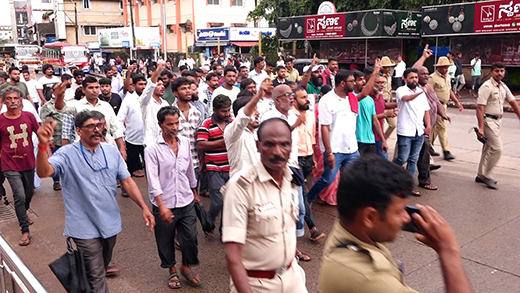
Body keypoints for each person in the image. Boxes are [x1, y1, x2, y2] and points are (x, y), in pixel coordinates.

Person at [36, 109, 155, 292]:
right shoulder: (67, 153)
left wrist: (144, 207)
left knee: (101, 265)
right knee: (96, 274)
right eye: (91, 126)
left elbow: (127, 181)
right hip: (82, 226)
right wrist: (43, 147)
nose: (97, 129)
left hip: (110, 222)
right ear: (78, 130)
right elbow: (44, 172)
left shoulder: (110, 151)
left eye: (100, 125)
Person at [319, 156, 472, 293]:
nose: (406, 218)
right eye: (399, 212)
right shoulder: (368, 278)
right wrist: (448, 250)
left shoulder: (353, 230)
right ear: (370, 217)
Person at [223, 118, 307, 293]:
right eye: (270, 144)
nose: (278, 152)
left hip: (293, 279)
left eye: (284, 144)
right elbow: (233, 256)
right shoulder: (240, 187)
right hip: (257, 285)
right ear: (258, 146)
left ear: (291, 146)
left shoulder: (291, 178)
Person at [145, 106, 202, 289]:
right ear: (160, 124)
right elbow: (153, 180)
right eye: (170, 124)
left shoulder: (185, 142)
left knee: (190, 238)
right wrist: (161, 206)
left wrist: (194, 192)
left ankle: (186, 266)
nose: (175, 127)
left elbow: (189, 170)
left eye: (177, 123)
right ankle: (172, 270)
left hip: (186, 199)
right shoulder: (152, 149)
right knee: (165, 239)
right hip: (165, 202)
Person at [306, 70, 361, 203]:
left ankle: (345, 201)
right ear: (342, 83)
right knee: (328, 179)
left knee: (353, 177)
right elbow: (324, 127)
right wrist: (329, 153)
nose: (355, 84)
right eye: (352, 81)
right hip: (335, 149)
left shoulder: (351, 98)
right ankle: (308, 198)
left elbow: (364, 93)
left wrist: (376, 71)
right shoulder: (327, 100)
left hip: (352, 148)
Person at [0, 87, 40, 246]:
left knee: (28, 194)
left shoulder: (29, 117)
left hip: (28, 163)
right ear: (4, 101)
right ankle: (25, 230)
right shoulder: (1, 120)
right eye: (8, 99)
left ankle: (24, 211)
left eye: (15, 98)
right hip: (9, 164)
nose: (12, 102)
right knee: (20, 196)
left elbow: (40, 133)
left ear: (21, 100)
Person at [54, 76, 127, 161]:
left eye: (96, 87)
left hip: (105, 148)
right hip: (83, 150)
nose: (95, 90)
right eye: (91, 88)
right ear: (84, 90)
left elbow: (116, 128)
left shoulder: (106, 106)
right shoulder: (76, 105)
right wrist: (59, 96)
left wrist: (122, 147)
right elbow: (60, 108)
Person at [476, 62, 520, 189]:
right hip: (488, 121)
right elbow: (479, 108)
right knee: (497, 149)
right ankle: (486, 175)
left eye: (502, 71)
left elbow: (513, 103)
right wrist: (481, 128)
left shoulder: (503, 87)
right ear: (491, 72)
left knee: (488, 149)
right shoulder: (486, 86)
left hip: (498, 121)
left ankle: (480, 174)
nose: (500, 73)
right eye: (497, 71)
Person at [197, 94, 232, 237]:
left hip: (231, 168)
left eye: (228, 110)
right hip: (214, 168)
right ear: (215, 110)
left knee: (230, 203)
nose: (227, 114)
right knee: (218, 202)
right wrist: (223, 141)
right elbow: (201, 144)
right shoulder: (206, 124)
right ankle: (208, 222)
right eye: (224, 111)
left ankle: (225, 231)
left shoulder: (232, 122)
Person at [393, 68, 431, 197]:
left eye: (416, 77)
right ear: (404, 78)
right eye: (411, 77)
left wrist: (428, 125)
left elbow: (426, 110)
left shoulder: (421, 92)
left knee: (413, 160)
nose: (414, 80)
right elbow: (406, 98)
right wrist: (419, 94)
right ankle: (388, 170)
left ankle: (408, 186)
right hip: (405, 131)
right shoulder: (400, 90)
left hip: (419, 131)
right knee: (402, 158)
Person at [39, 76, 73, 191]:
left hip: (68, 138)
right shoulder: (47, 107)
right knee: (55, 160)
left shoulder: (68, 104)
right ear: (52, 92)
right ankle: (56, 181)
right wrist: (50, 139)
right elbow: (45, 122)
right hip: (56, 137)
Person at [352, 70, 389, 156]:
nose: (363, 82)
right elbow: (363, 94)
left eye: (363, 79)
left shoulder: (370, 100)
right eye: (360, 80)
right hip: (357, 140)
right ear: (354, 82)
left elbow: (375, 120)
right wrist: (375, 72)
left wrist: (383, 140)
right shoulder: (351, 97)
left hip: (370, 141)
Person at [172, 77, 202, 173]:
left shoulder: (196, 113)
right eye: (183, 89)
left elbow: (199, 139)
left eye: (189, 88)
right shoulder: (170, 113)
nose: (188, 91)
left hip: (195, 163)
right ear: (175, 93)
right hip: (176, 164)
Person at [140, 63, 169, 147]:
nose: (162, 87)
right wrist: (158, 71)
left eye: (163, 84)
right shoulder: (145, 102)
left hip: (164, 142)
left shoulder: (165, 103)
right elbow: (149, 87)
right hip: (150, 142)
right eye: (159, 85)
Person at [381, 56, 397, 139]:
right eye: (387, 67)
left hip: (388, 102)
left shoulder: (389, 76)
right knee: (380, 124)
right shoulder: (379, 77)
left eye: (390, 67)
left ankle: (384, 139)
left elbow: (390, 90)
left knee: (393, 124)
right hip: (381, 102)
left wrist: (392, 104)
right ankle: (380, 143)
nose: (389, 68)